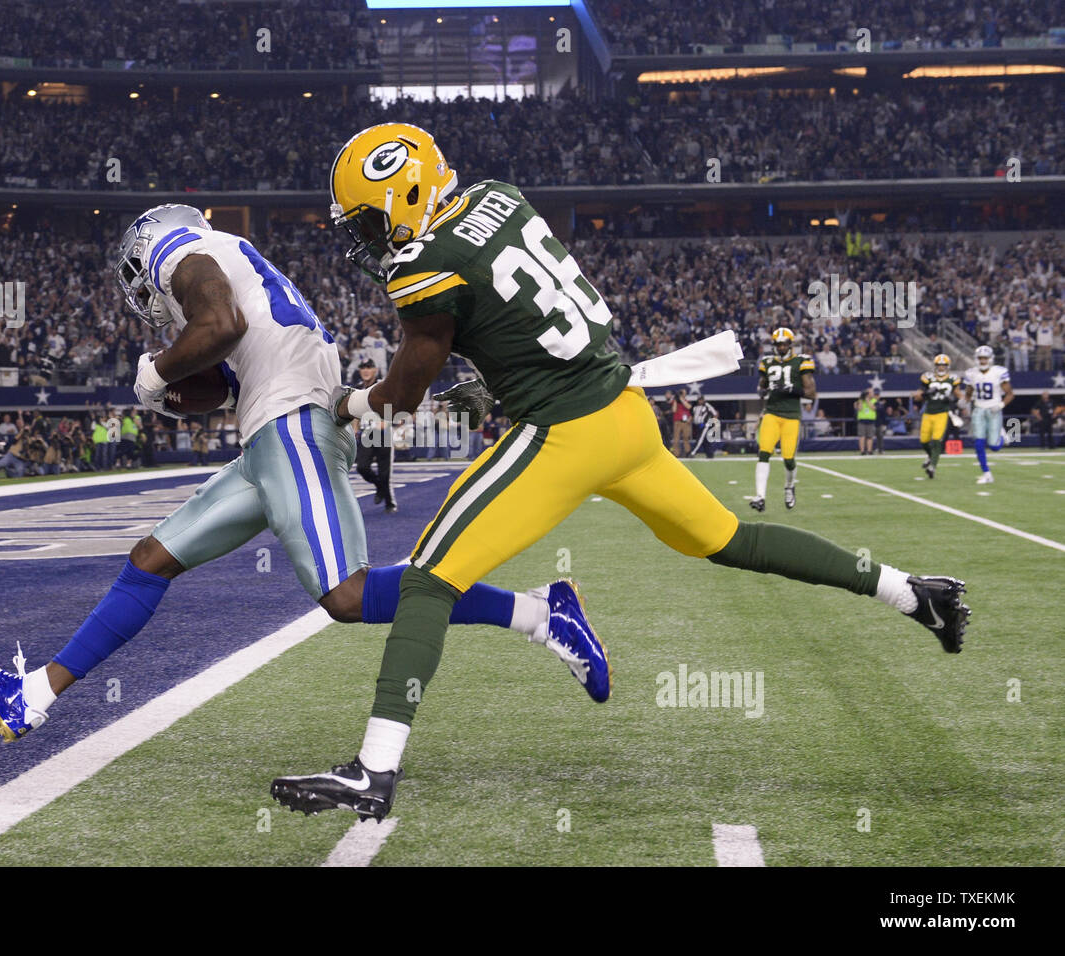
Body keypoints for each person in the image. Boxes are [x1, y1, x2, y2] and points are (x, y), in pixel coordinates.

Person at [271, 122, 970, 821]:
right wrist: (497, 382)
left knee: (429, 580)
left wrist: (349, 402)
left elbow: (406, 392)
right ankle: (911, 593)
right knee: (730, 539)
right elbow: (517, 314)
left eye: (367, 217)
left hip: (564, 434)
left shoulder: (423, 262)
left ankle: (374, 771)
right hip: (626, 415)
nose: (367, 237)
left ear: (406, 190)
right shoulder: (498, 197)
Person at [0, 203, 603, 743]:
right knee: (149, 559)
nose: (144, 292)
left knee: (347, 596)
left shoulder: (181, 250)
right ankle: (36, 695)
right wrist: (166, 390)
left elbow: (221, 326)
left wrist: (157, 372)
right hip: (270, 434)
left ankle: (541, 614)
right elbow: (219, 380)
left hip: (291, 425)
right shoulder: (231, 261)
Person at [753, 327, 815, 511]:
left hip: (791, 415)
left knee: (788, 458)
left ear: (790, 344)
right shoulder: (767, 362)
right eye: (778, 344)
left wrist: (791, 390)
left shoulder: (801, 361)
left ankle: (789, 487)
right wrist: (762, 391)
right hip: (771, 412)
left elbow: (812, 394)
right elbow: (761, 389)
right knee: (764, 452)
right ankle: (760, 497)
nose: (781, 347)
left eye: (784, 344)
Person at [962, 344, 1013, 484]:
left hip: (993, 409)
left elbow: (1010, 394)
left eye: (985, 358)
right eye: (980, 358)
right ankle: (987, 473)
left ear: (990, 359)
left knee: (995, 447)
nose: (982, 361)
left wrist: (1000, 405)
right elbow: (968, 393)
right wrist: (964, 401)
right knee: (978, 443)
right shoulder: (971, 373)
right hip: (978, 409)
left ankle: (1002, 435)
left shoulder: (998, 372)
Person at [352, 358, 396, 512]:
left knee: (385, 472)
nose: (365, 370)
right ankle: (379, 487)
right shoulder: (357, 389)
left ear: (375, 370)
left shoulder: (383, 386)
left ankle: (390, 503)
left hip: (382, 433)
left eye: (369, 367)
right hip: (366, 433)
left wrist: (387, 422)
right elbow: (355, 411)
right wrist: (355, 429)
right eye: (363, 367)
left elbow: (394, 404)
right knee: (362, 467)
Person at [913, 353, 959, 478]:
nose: (941, 368)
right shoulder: (928, 377)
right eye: (939, 365)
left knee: (937, 440)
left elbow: (958, 395)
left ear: (948, 366)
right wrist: (926, 393)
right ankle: (929, 455)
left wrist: (953, 399)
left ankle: (933, 467)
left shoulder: (953, 379)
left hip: (942, 412)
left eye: (944, 365)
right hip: (928, 412)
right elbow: (917, 395)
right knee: (923, 441)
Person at [689, 392, 720, 459]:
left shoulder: (707, 405)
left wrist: (711, 423)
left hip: (704, 425)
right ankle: (710, 454)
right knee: (705, 441)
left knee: (700, 439)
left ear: (703, 400)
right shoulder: (695, 407)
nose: (700, 401)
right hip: (697, 426)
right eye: (699, 399)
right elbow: (693, 416)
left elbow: (715, 413)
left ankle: (693, 452)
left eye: (701, 399)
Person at [669, 388, 692, 457]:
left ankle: (688, 452)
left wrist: (681, 399)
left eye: (683, 393)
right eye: (681, 393)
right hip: (677, 422)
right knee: (676, 438)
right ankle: (676, 453)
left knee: (686, 438)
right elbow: (674, 410)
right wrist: (676, 399)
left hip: (685, 422)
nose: (683, 394)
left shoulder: (686, 401)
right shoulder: (675, 401)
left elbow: (689, 407)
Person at [855, 389, 877, 456]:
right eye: (871, 392)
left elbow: (873, 408)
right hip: (862, 420)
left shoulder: (874, 400)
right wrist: (861, 400)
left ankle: (869, 450)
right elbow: (859, 408)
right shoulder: (860, 401)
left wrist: (867, 400)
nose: (872, 394)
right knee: (862, 436)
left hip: (870, 420)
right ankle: (862, 451)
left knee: (870, 436)